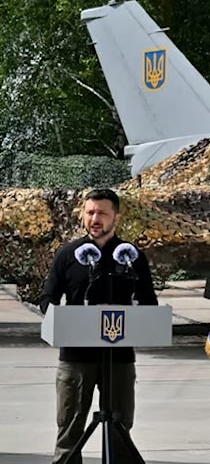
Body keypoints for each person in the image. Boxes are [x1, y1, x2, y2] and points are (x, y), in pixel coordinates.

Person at [38, 188, 159, 464]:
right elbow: (47, 298)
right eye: (90, 212)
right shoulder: (68, 254)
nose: (95, 219)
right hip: (76, 357)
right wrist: (57, 317)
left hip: (119, 357)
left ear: (116, 217)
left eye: (102, 213)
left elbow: (148, 301)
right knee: (69, 430)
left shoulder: (130, 257)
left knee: (120, 429)